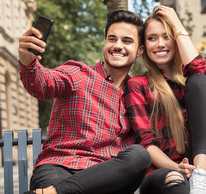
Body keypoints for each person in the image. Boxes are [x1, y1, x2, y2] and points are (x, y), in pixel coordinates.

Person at [124, 5, 206, 194]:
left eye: (167, 36)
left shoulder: (190, 83)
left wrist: (177, 25)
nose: (160, 43)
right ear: (143, 48)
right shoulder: (138, 85)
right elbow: (146, 143)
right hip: (168, 172)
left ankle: (201, 175)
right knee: (178, 185)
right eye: (152, 38)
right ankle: (194, 178)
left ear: (176, 40)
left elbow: (202, 74)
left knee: (199, 80)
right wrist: (178, 168)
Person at [19, 10, 151, 194]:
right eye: (112, 39)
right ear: (105, 43)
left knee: (139, 155)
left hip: (106, 181)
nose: (117, 46)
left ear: (140, 51)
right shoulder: (78, 74)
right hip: (61, 168)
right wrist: (28, 62)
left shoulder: (137, 94)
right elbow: (43, 84)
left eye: (127, 41)